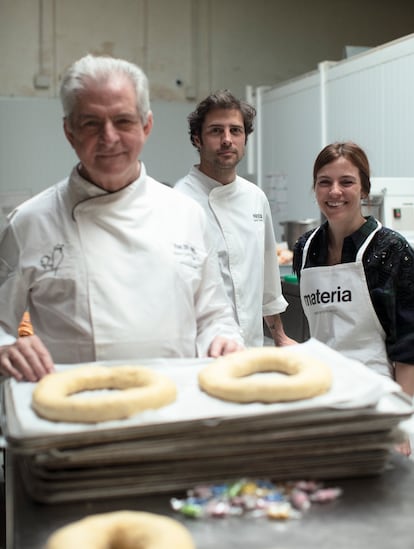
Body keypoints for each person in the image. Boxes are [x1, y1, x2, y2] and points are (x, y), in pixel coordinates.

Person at [0, 55, 244, 383]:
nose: (109, 137)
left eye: (123, 121)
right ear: (69, 131)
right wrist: (6, 348)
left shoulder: (186, 215)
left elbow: (215, 315)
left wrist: (223, 341)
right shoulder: (30, 223)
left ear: (146, 126)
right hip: (73, 415)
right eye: (91, 123)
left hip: (177, 406)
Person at [292, 141, 414, 456]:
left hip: (378, 401)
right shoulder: (306, 249)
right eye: (325, 182)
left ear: (364, 189)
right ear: (315, 189)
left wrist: (400, 421)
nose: (335, 191)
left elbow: (408, 349)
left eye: (346, 182)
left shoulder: (391, 250)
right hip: (322, 395)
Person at [175, 90, 295, 348]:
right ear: (198, 139)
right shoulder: (178, 202)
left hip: (251, 347)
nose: (227, 140)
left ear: (245, 138)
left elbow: (268, 281)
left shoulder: (255, 198)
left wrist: (280, 336)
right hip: (198, 351)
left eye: (236, 131)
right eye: (216, 131)